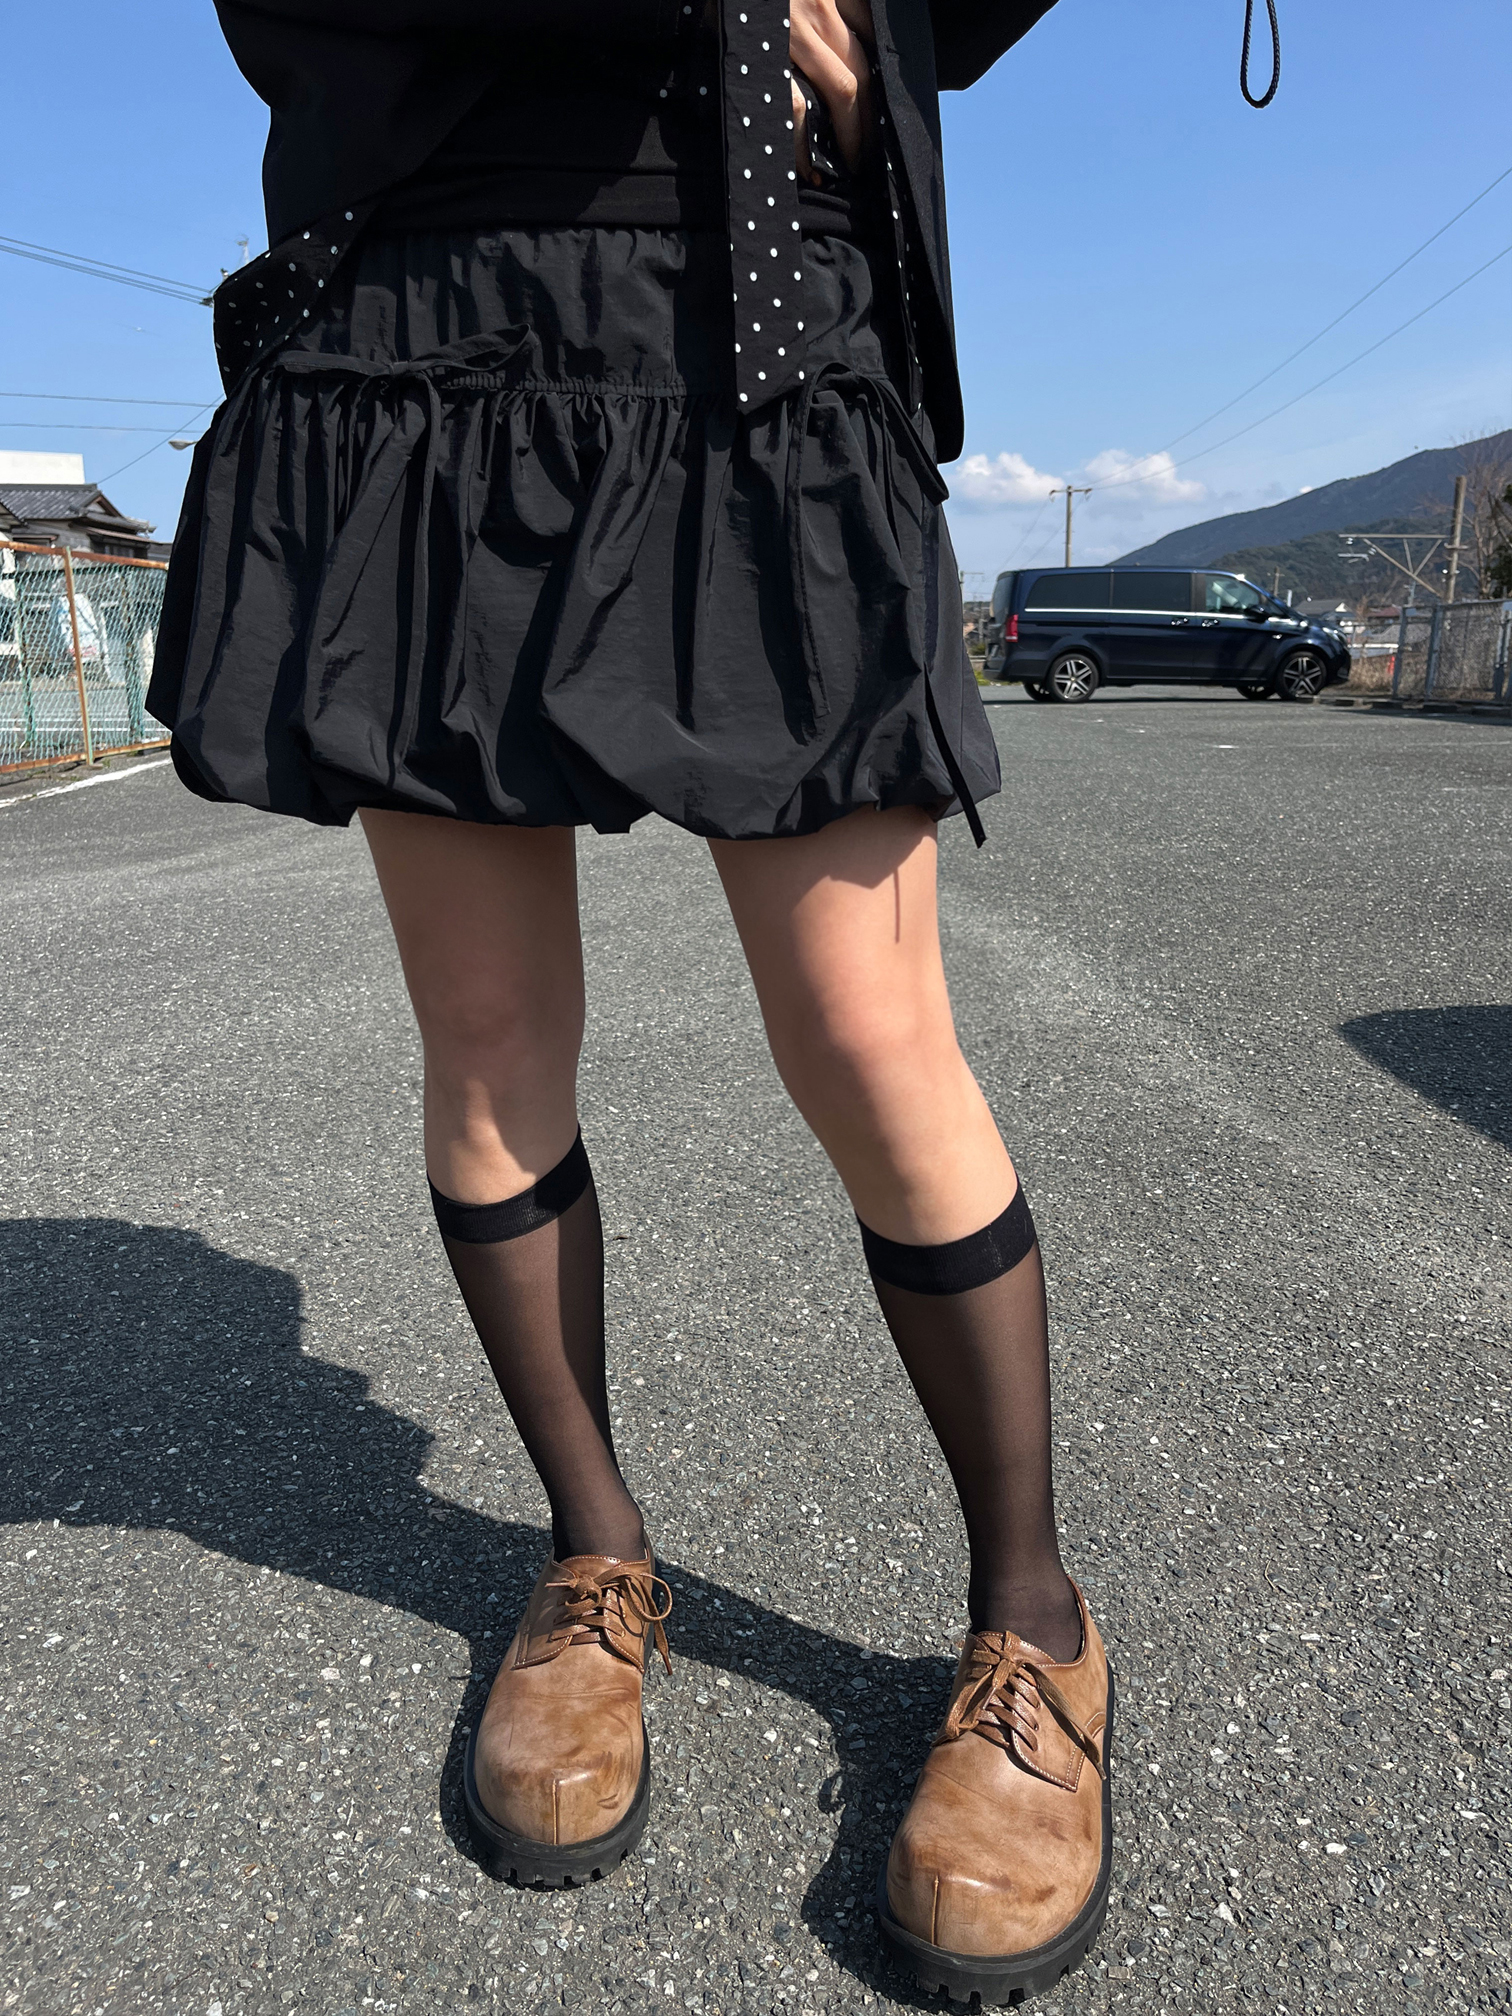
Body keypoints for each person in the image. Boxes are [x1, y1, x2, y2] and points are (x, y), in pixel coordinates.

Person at [147, 0, 1112, 2000]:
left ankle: (1036, 1622)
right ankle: (596, 1555)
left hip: (743, 281)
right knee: (489, 1044)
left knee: (871, 1038)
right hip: (418, 302)